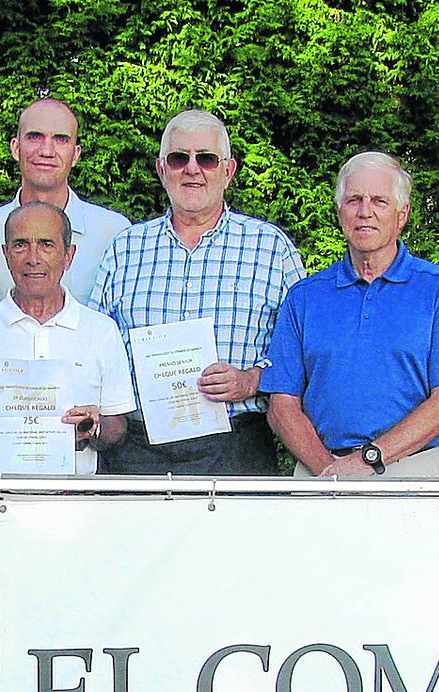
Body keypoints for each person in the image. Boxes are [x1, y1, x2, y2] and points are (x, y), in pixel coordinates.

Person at [0, 201, 137, 622]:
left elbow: (119, 428)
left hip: (73, 506)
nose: (33, 257)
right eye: (21, 245)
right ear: (5, 252)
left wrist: (94, 426)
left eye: (47, 245)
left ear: (69, 255)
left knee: (69, 624)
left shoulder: (100, 332)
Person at [87, 109, 304, 475]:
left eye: (206, 158)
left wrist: (251, 379)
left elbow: (300, 350)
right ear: (161, 169)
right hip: (138, 450)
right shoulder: (124, 249)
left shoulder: (271, 248)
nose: (192, 169)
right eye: (178, 158)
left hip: (236, 446)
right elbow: (93, 347)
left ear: (228, 170)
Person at [263, 152, 439, 477]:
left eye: (379, 201)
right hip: (320, 470)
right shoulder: (305, 297)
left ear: (402, 214)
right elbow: (281, 405)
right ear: (339, 212)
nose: (365, 212)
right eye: (354, 200)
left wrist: (368, 459)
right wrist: (331, 473)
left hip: (413, 470)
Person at [0, 98, 131, 303]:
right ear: (15, 148)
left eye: (61, 139)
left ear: (75, 154)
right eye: (35, 137)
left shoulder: (114, 233)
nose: (46, 151)